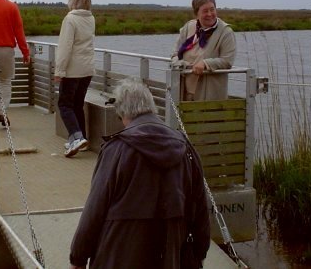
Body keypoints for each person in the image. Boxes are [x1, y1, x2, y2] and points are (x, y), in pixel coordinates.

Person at [69, 77, 210, 269]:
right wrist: (198, 252)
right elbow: (200, 205)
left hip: (118, 253)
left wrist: (78, 258)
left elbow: (95, 209)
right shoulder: (185, 147)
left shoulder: (117, 149)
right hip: (168, 255)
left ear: (123, 112)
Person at [171, 0, 236, 101]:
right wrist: (180, 64)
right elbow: (175, 54)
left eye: (212, 9)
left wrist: (206, 63)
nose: (210, 14)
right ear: (196, 14)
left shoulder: (226, 32)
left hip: (210, 94)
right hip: (183, 90)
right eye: (205, 11)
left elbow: (227, 61)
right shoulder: (188, 27)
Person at [54, 0, 95, 157]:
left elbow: (65, 47)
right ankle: (81, 138)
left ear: (73, 2)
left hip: (72, 70)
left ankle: (77, 138)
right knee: (78, 104)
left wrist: (59, 71)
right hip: (87, 69)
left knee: (64, 104)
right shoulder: (91, 18)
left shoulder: (70, 19)